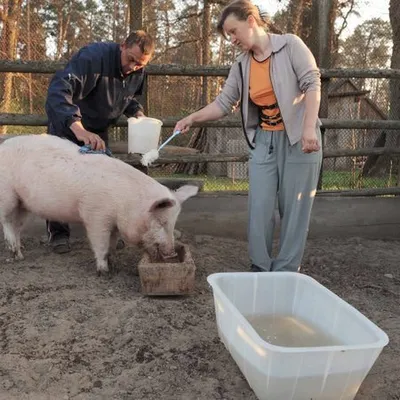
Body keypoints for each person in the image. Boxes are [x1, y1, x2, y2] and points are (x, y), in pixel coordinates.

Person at [173, 0, 322, 272]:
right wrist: (191, 118)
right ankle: (260, 266)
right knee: (261, 205)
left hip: (300, 138)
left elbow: (312, 83)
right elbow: (223, 103)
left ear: (251, 20)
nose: (231, 39)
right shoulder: (242, 64)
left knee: (295, 208)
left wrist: (309, 128)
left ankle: (286, 271)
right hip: (264, 140)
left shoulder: (290, 45)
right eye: (227, 35)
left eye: (234, 31)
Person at [44, 30, 155, 254]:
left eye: (139, 64)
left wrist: (138, 114)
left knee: (106, 183)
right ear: (122, 45)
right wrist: (78, 128)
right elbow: (59, 91)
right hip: (69, 124)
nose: (132, 67)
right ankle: (58, 234)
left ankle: (109, 232)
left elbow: (130, 98)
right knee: (58, 180)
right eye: (130, 60)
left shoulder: (138, 71)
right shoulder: (92, 58)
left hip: (98, 129)